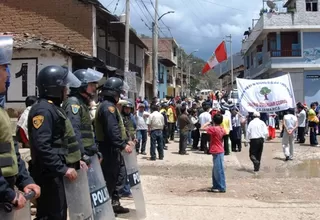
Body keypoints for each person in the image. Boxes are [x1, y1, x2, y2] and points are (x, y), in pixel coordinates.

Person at [28, 65, 87, 219]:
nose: (66, 90)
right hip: (48, 174)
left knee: (58, 213)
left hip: (55, 171)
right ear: (54, 88)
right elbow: (43, 146)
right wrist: (63, 169)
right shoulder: (43, 110)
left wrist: (74, 161)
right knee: (50, 214)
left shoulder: (53, 108)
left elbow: (61, 142)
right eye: (63, 87)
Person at [0, 35, 40, 210]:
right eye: (3, 68)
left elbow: (12, 151)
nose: (8, 75)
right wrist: (8, 194)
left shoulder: (2, 111)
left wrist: (25, 180)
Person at [94, 77, 133, 214]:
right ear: (114, 93)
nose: (119, 96)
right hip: (107, 148)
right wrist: (122, 144)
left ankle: (114, 203)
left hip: (113, 148)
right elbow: (112, 130)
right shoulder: (108, 108)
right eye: (119, 93)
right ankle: (106, 208)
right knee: (109, 178)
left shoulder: (109, 106)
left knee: (118, 177)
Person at [62, 68, 103, 163]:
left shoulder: (82, 103)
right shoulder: (73, 103)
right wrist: (81, 155)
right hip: (82, 156)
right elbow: (74, 131)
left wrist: (94, 150)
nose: (94, 88)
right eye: (91, 85)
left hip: (88, 152)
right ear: (82, 85)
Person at [201, 114, 226, 193]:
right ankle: (216, 185)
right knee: (216, 170)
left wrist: (208, 123)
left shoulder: (214, 129)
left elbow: (202, 128)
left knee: (218, 170)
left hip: (217, 150)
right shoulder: (222, 128)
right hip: (219, 150)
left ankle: (221, 187)